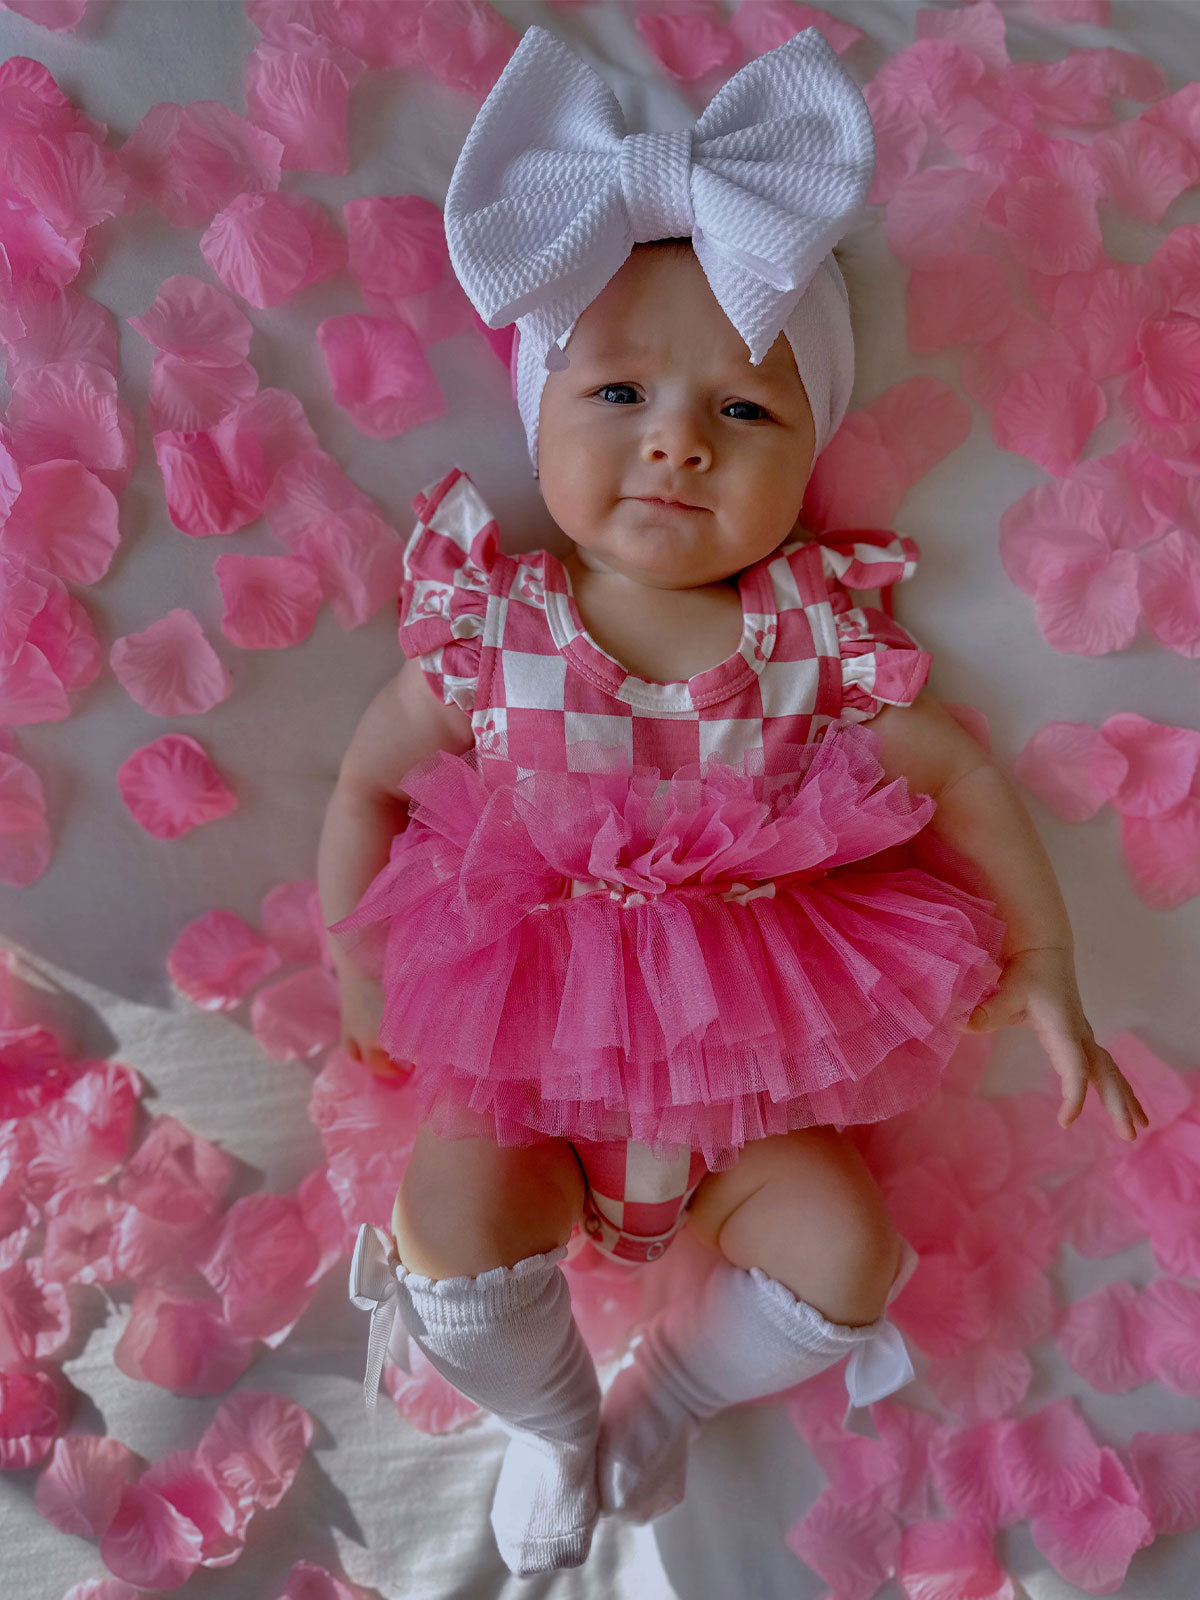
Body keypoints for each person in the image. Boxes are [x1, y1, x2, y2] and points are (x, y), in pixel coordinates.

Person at [318, 24, 1150, 1579]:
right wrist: (354, 953)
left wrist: (1046, 965)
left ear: (809, 446)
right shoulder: (497, 629)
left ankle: (670, 1393)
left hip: (744, 1107)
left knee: (852, 1252)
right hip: (530, 1086)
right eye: (618, 388)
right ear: (537, 413)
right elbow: (372, 774)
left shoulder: (812, 638)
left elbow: (956, 774)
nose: (679, 439)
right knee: (449, 1211)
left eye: (745, 414)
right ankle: (550, 1417)